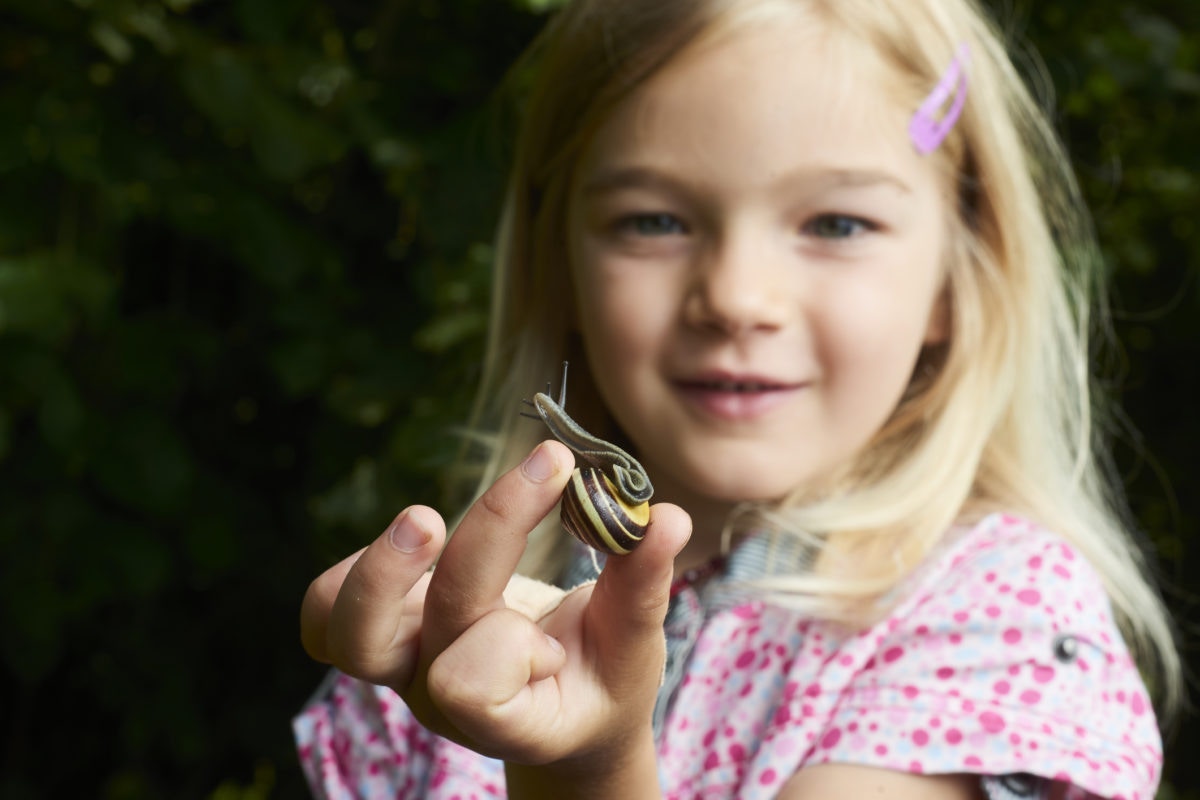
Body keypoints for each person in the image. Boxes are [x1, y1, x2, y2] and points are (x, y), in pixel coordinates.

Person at [293, 0, 1183, 797]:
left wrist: (583, 769)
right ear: (559, 260)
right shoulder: (464, 626)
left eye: (837, 224)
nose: (734, 297)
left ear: (958, 276)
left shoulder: (993, 622)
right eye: (655, 221)